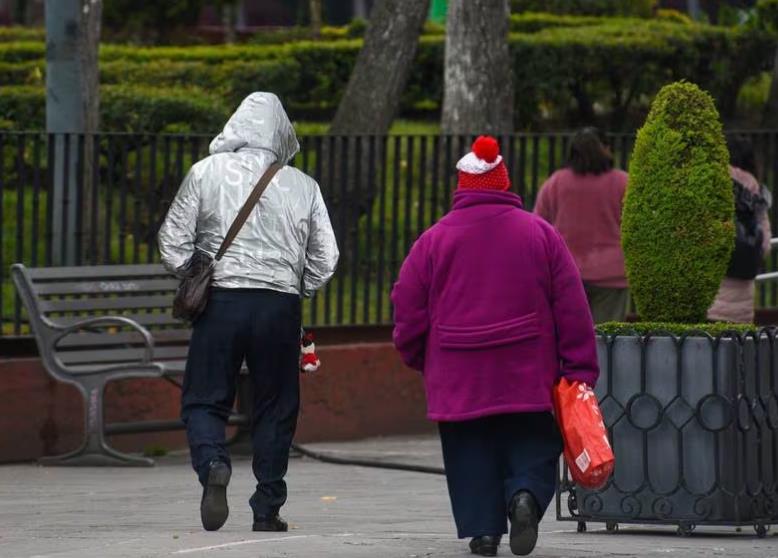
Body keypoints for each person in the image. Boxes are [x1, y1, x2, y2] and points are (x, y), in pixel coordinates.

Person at [391, 136, 599, 557]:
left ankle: (483, 532)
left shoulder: (433, 240)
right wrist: (579, 369)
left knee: (469, 450)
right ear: (505, 185)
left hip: (457, 372)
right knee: (533, 442)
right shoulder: (541, 234)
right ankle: (525, 496)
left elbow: (407, 307)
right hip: (527, 372)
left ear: (462, 187)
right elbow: (572, 306)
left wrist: (420, 357)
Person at [158, 92, 339, 532]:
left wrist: (197, 276)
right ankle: (267, 507)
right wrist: (296, 288)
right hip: (279, 308)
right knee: (277, 404)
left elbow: (172, 242)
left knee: (204, 396)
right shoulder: (303, 185)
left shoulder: (204, 173)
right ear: (281, 134)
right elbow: (325, 257)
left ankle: (213, 464)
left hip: (221, 302)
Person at [534, 128, 629, 323]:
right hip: (612, 275)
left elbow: (537, 227)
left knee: (571, 339)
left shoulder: (556, 183)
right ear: (604, 149)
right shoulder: (622, 182)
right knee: (608, 341)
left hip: (567, 274)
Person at [708, 135, 772, 323]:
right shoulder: (756, 193)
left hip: (709, 297)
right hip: (743, 304)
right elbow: (765, 246)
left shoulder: (710, 182)